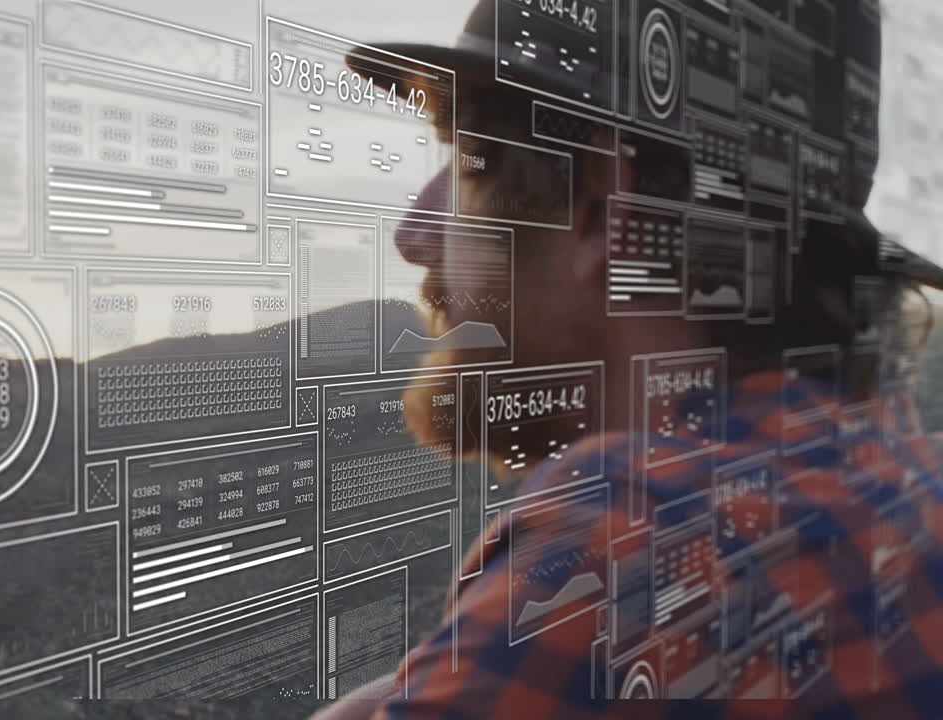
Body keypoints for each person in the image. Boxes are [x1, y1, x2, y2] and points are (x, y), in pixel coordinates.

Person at [317, 0, 943, 716]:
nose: (413, 233)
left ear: (596, 206)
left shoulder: (617, 542)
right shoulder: (909, 483)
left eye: (465, 159)